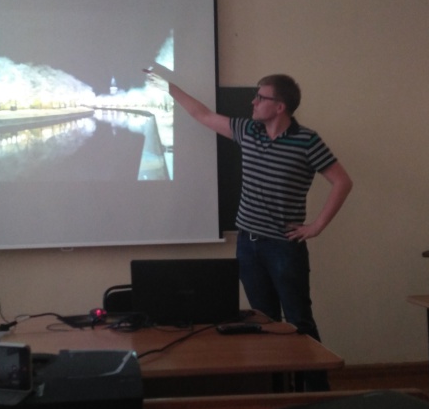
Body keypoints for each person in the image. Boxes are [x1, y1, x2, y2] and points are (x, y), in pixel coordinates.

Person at [146, 67, 352, 391]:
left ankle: (317, 391)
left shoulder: (307, 140)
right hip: (247, 245)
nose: (253, 102)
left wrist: (316, 226)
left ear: (280, 106)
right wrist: (169, 88)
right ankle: (277, 392)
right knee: (264, 322)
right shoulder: (248, 131)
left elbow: (342, 181)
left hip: (283, 247)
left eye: (260, 97)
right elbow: (202, 114)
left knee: (298, 321)